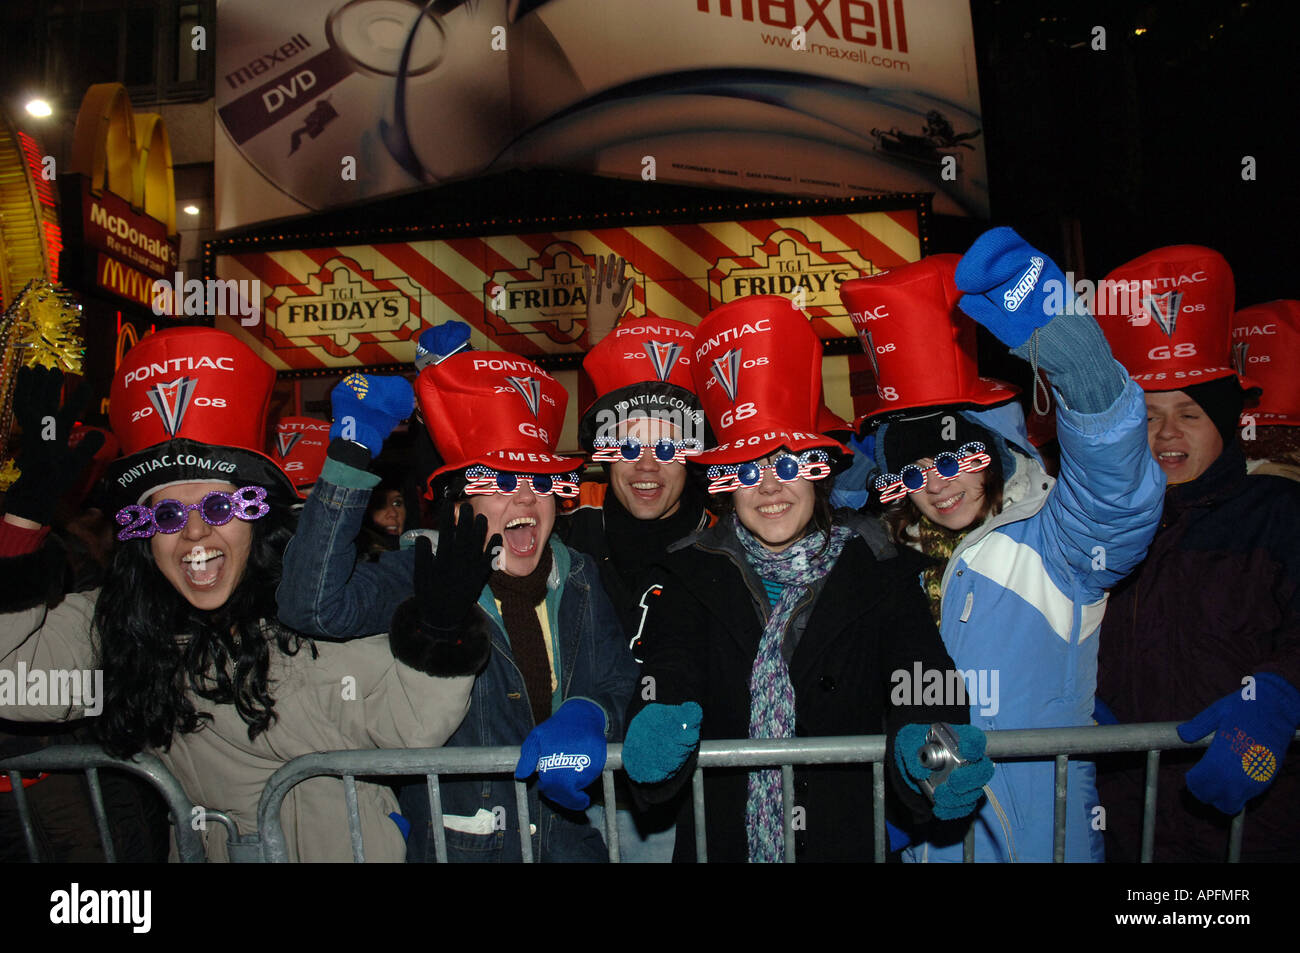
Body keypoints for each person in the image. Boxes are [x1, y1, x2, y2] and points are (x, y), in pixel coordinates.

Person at [0, 329, 477, 862]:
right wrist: (25, 515)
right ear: (143, 537)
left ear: (256, 521)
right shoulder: (120, 627)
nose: (196, 533)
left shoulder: (316, 613)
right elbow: (8, 681)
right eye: (167, 515)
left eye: (219, 509)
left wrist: (440, 626)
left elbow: (412, 728)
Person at [621, 295, 993, 863]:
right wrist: (657, 716)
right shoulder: (690, 571)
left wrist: (929, 738)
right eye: (748, 470)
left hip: (843, 839)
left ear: (819, 476)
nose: (769, 487)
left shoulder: (878, 567)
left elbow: (920, 669)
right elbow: (669, 666)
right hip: (724, 842)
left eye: (787, 466)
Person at [838, 234, 1166, 862]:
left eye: (959, 457)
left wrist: (1082, 370)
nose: (939, 483)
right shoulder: (878, 557)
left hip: (1037, 845)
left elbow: (1116, 499)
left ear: (995, 450)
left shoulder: (1053, 540)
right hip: (916, 842)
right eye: (917, 469)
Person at [277, 354, 637, 862]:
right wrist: (350, 458)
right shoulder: (422, 572)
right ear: (460, 502)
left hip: (567, 843)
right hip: (464, 848)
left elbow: (618, 681)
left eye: (542, 483)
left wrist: (591, 714)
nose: (526, 501)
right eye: (502, 483)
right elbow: (310, 608)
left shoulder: (575, 574)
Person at [1094, 246, 1300, 862]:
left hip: (1258, 821)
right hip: (1131, 821)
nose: (1166, 435)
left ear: (1228, 422)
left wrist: (1279, 697)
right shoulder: (1099, 520)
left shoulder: (1279, 513)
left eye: (1189, 414)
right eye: (1150, 416)